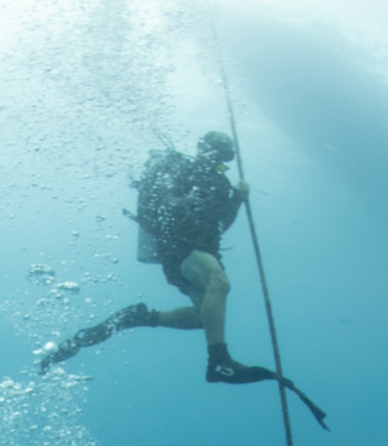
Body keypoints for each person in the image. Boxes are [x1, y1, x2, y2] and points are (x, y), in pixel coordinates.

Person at [39, 131, 278, 386]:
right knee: (219, 283)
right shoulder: (179, 167)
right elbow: (158, 198)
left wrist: (238, 200)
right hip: (178, 246)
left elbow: (220, 224)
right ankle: (219, 361)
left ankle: (142, 317)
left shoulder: (220, 184)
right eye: (216, 156)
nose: (218, 163)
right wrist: (180, 202)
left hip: (203, 250)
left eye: (223, 160)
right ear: (203, 149)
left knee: (203, 317)